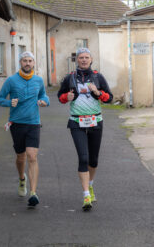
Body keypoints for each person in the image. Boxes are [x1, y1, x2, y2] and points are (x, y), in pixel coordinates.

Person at [57, 47, 113, 211]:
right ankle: (85, 195)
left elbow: (109, 98)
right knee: (83, 158)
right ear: (76, 60)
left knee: (93, 160)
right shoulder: (70, 78)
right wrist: (66, 97)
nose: (83, 60)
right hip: (76, 123)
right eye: (80, 57)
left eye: (86, 57)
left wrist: (97, 92)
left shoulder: (97, 77)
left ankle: (90, 185)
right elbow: (60, 97)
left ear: (91, 59)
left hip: (95, 122)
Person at [0, 51, 50, 208]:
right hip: (17, 123)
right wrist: (9, 103)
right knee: (21, 157)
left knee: (32, 156)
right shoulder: (11, 81)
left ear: (34, 63)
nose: (27, 63)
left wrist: (44, 102)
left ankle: (33, 193)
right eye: (25, 60)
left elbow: (44, 96)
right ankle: (22, 179)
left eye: (30, 61)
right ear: (20, 62)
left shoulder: (39, 80)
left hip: (34, 123)